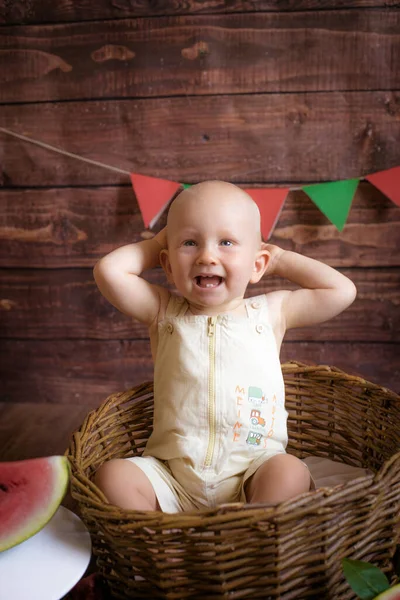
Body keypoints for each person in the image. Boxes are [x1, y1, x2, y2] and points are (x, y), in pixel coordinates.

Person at [93, 180, 357, 512]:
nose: (207, 255)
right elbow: (108, 271)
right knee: (112, 476)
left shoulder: (272, 312)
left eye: (227, 242)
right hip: (173, 477)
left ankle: (253, 528)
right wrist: (162, 240)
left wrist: (280, 260)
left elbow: (341, 291)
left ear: (257, 264)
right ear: (169, 265)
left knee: (289, 471)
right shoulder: (163, 312)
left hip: (254, 471)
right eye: (190, 242)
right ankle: (167, 545)